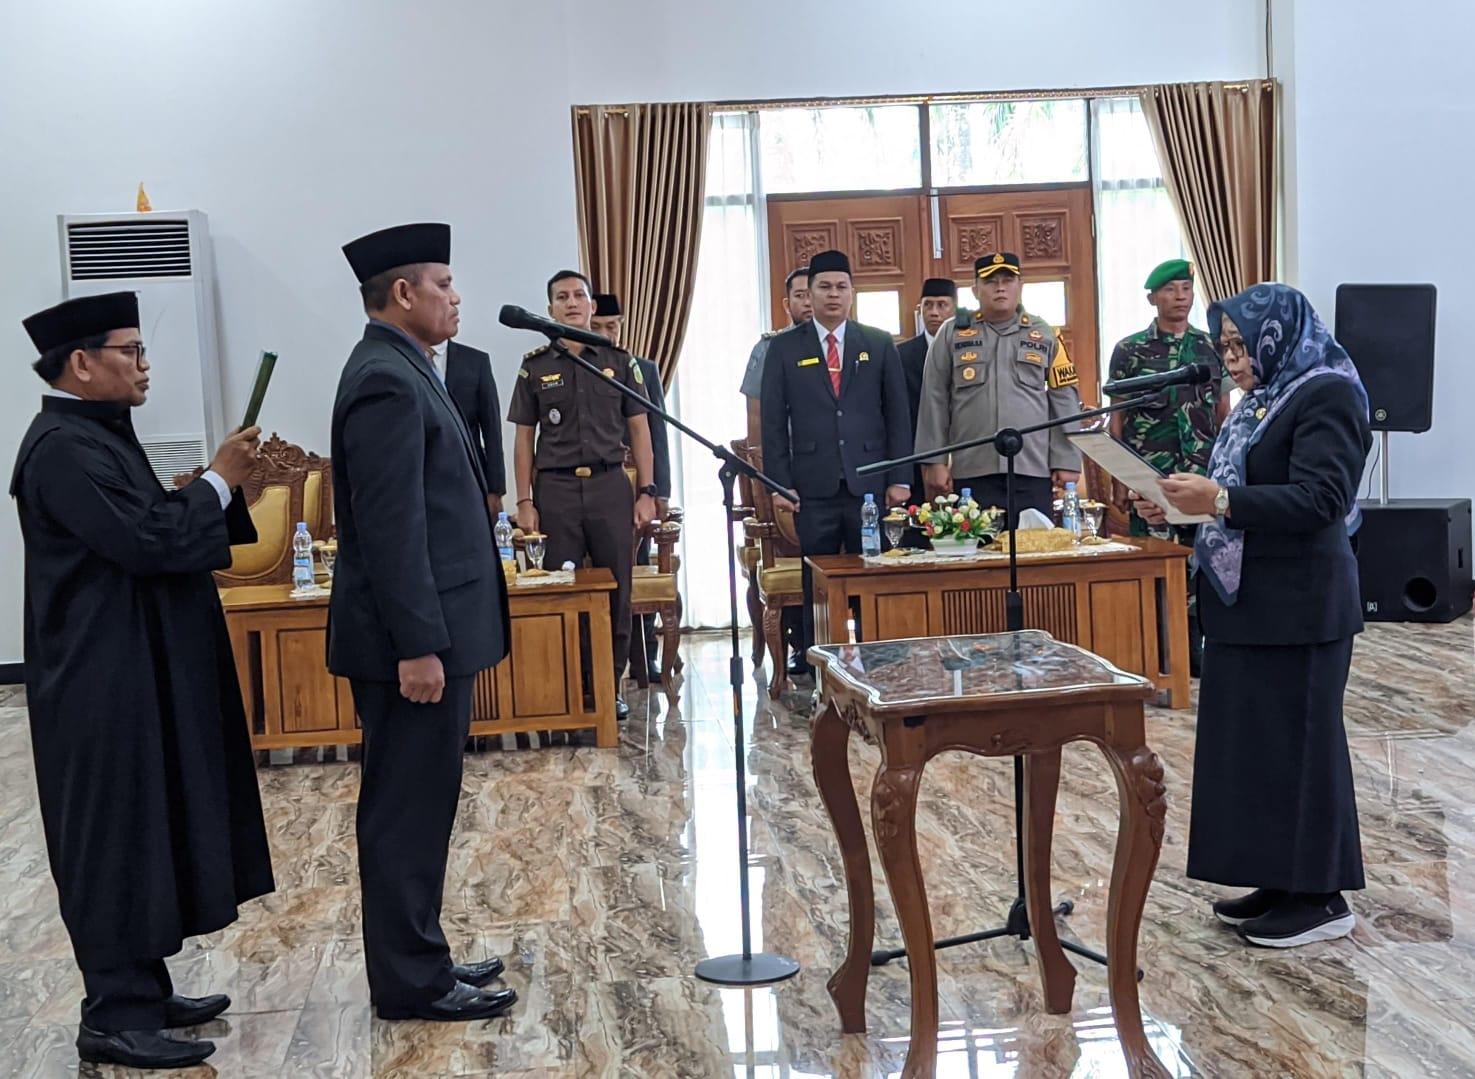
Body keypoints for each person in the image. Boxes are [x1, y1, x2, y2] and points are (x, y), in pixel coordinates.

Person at [10, 292, 274, 1069]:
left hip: (131, 668)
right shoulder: (59, 446)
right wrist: (218, 484)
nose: (144, 363)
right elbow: (146, 539)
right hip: (96, 682)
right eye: (130, 350)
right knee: (114, 837)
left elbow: (149, 520)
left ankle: (145, 989)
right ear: (81, 362)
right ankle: (112, 1013)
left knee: (148, 824)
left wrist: (222, 491)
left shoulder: (94, 433)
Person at [1136, 282, 1371, 948]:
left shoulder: (1327, 392)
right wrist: (1182, 505)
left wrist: (1216, 502)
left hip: (1301, 605)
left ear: (1278, 336)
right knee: (1260, 753)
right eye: (1225, 347)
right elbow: (1238, 494)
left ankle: (1321, 898)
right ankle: (1278, 878)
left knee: (1301, 749)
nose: (1232, 360)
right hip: (1247, 606)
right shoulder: (1261, 403)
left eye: (1241, 346)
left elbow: (1320, 499)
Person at [330, 223, 516, 1021]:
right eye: (444, 282)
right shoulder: (384, 377)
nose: (456, 296)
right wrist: (418, 645)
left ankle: (423, 955)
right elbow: (391, 526)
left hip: (433, 632)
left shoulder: (407, 365)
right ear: (403, 293)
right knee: (405, 808)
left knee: (424, 800)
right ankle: (410, 981)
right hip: (412, 643)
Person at [508, 270, 659, 718]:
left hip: (610, 485)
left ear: (592, 306)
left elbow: (640, 429)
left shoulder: (617, 360)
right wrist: (524, 501)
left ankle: (609, 684)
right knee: (562, 588)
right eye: (561, 297)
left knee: (617, 589)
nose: (571, 303)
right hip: (554, 489)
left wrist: (647, 491)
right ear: (550, 308)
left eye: (579, 296)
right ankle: (571, 685)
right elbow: (523, 439)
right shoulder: (535, 365)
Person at [760, 248, 912, 671]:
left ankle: (873, 656)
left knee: (870, 572)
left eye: (841, 287)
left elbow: (898, 416)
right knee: (819, 579)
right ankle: (819, 661)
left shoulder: (878, 344)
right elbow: (773, 424)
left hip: (869, 482)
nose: (832, 295)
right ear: (808, 295)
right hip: (812, 484)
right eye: (823, 287)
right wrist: (779, 484)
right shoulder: (785, 349)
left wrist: (900, 478)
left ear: (852, 293)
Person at [1107, 258, 1230, 676]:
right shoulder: (1129, 350)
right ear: (1152, 298)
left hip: (1200, 473)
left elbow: (1222, 410)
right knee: (1157, 563)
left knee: (1202, 560)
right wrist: (1119, 480)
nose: (1180, 298)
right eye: (1171, 290)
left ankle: (1198, 651)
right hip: (1151, 475)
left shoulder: (1210, 347)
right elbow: (1117, 417)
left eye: (1186, 289)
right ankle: (1161, 651)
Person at [915, 252, 1081, 526]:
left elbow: (1064, 398)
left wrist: (1067, 459)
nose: (1000, 287)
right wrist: (934, 461)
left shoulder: (1045, 333)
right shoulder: (951, 332)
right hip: (973, 469)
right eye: (991, 281)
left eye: (1007, 280)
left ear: (1020, 286)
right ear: (975, 289)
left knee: (1035, 555)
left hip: (1032, 467)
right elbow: (933, 399)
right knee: (978, 556)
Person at [591, 291, 670, 684]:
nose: (606, 333)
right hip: (594, 489)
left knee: (637, 569)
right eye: (598, 327)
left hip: (637, 488)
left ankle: (646, 657)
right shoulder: (577, 364)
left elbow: (657, 434)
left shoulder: (641, 368)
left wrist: (658, 491)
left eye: (612, 326)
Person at [740, 266, 812, 674]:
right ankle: (800, 645)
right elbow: (755, 417)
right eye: (799, 296)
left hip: (832, 469)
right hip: (784, 471)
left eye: (811, 293)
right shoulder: (769, 349)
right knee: (793, 554)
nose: (807, 302)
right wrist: (764, 477)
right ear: (787, 304)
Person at [432, 338, 507, 516]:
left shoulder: (475, 361)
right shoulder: (404, 360)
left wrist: (495, 489)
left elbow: (492, 432)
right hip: (422, 479)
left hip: (470, 477)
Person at [899, 278, 958, 499]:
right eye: (928, 305)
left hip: (963, 451)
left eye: (942, 305)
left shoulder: (968, 349)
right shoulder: (901, 355)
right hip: (917, 452)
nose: (934, 312)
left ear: (954, 308)